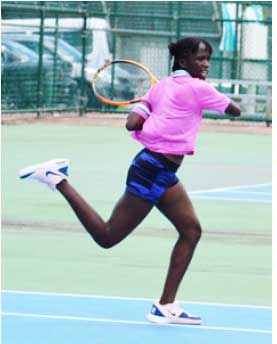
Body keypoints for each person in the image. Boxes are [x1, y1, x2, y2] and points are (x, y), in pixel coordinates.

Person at [19, 37, 241, 325]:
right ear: (183, 61)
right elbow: (234, 110)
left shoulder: (159, 88)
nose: (206, 64)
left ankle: (165, 305)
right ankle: (58, 179)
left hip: (158, 169)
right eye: (201, 59)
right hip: (152, 171)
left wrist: (159, 113)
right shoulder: (198, 88)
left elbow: (131, 124)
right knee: (107, 237)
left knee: (191, 230)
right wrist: (196, 103)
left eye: (208, 59)